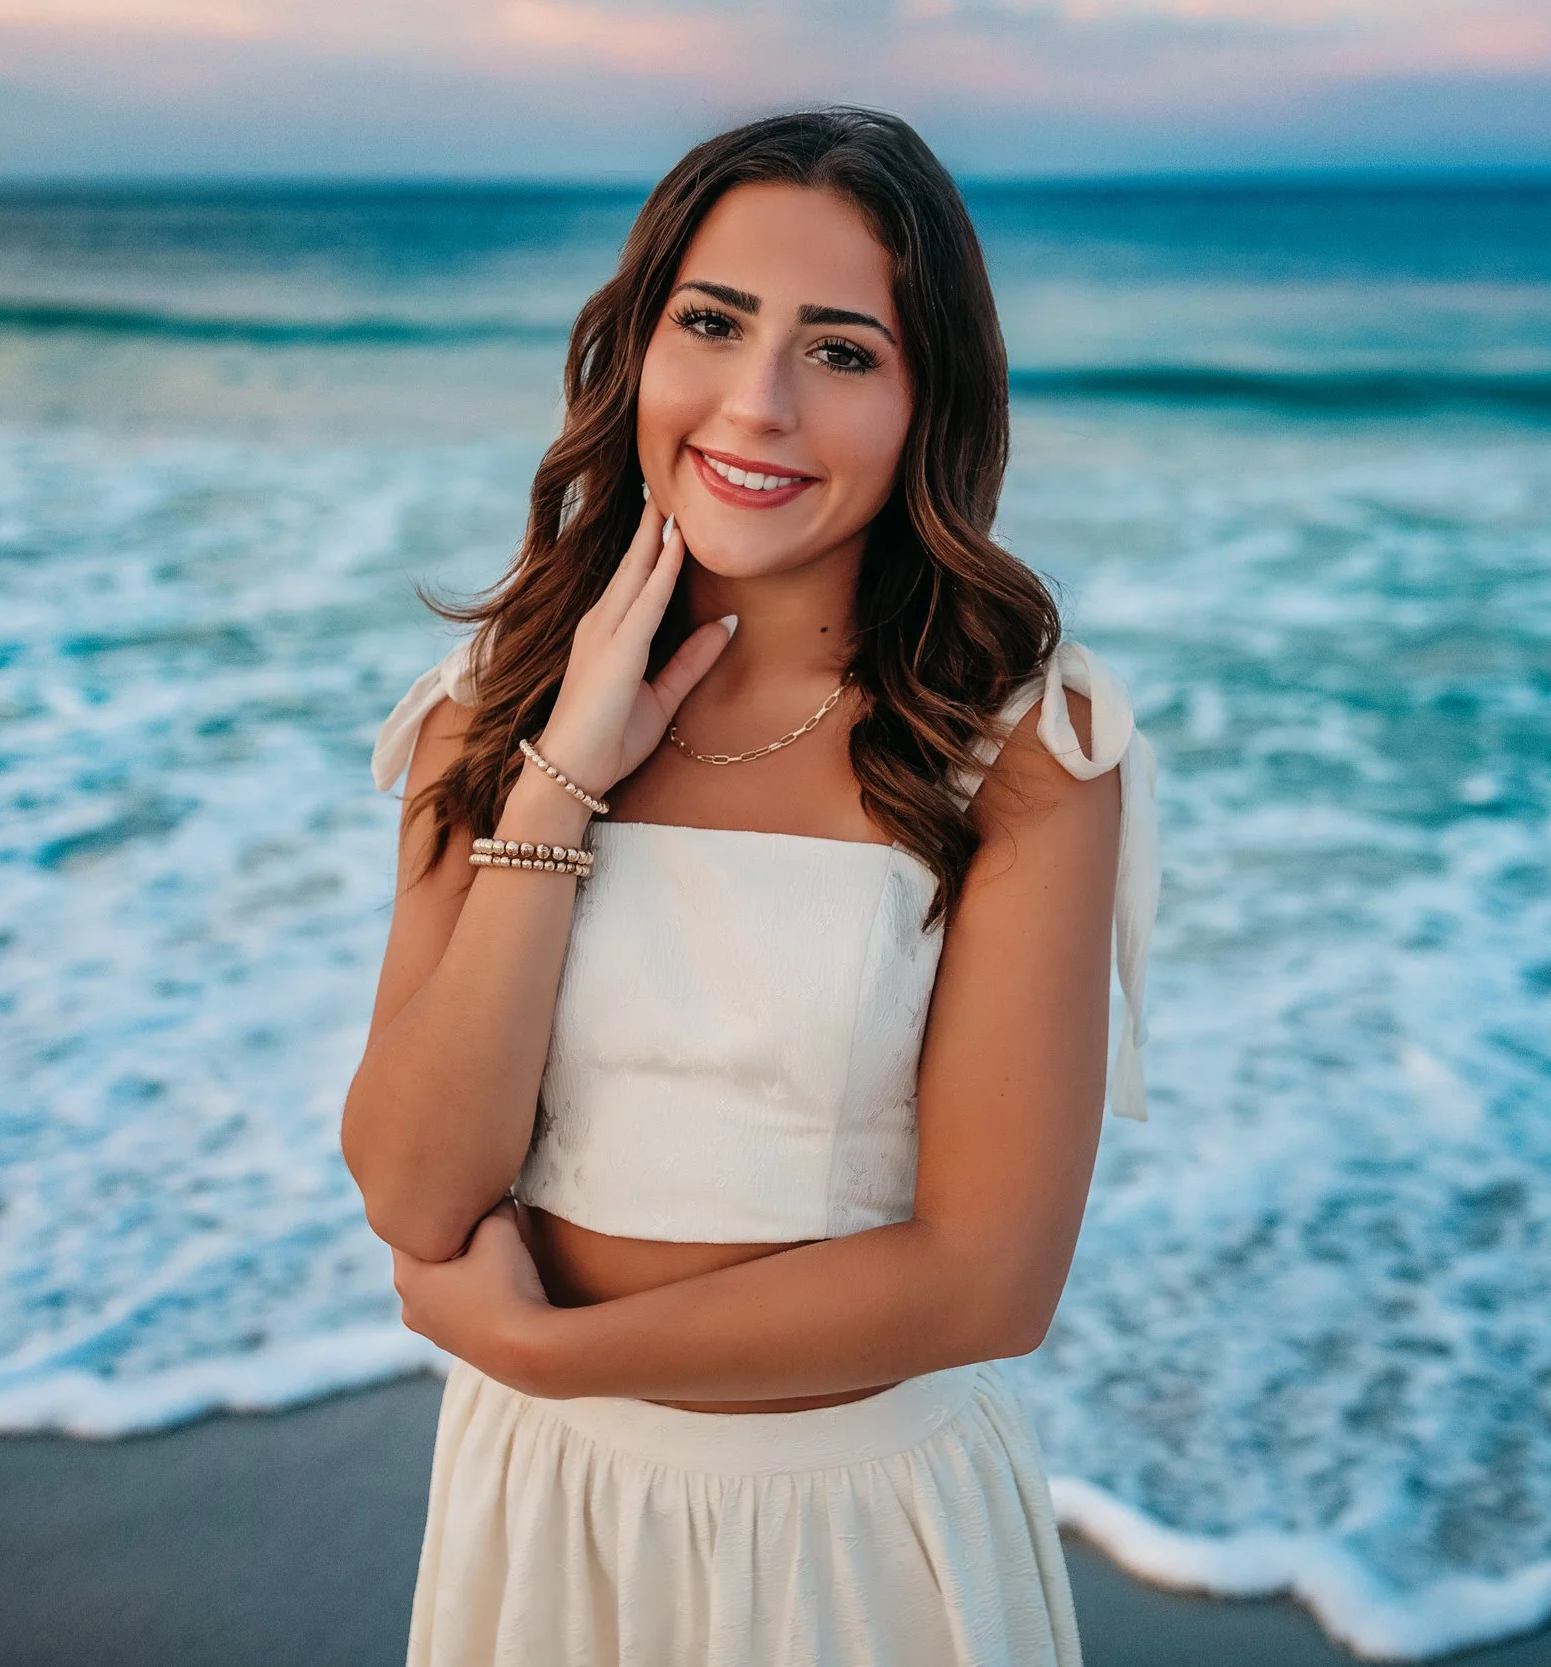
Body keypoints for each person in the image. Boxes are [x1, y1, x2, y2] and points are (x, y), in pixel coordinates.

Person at [342, 106, 1158, 1667]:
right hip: (541, 1511)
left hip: (855, 1541)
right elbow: (415, 1184)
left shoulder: (1024, 751)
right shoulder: (491, 711)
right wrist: (560, 784)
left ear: (928, 401)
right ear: (638, 347)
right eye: (712, 323)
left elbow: (989, 1282)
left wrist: (545, 1350)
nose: (759, 403)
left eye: (842, 351)